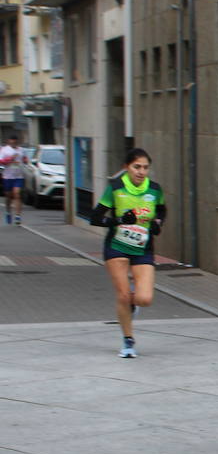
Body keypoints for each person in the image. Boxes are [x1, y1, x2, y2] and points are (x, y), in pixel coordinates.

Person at [89, 148, 166, 359]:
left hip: (143, 248)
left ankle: (132, 304)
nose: (141, 172)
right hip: (117, 246)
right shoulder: (115, 188)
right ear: (127, 167)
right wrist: (120, 220)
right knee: (123, 295)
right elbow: (95, 218)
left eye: (145, 167)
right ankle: (128, 340)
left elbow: (161, 210)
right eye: (137, 167)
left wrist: (158, 222)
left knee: (145, 298)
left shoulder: (155, 189)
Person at [1, 135, 22, 224]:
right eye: (11, 140)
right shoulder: (4, 150)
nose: (13, 142)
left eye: (15, 140)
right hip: (8, 176)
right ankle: (8, 212)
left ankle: (18, 216)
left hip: (19, 176)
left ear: (17, 141)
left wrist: (25, 160)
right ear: (9, 141)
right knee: (9, 196)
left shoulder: (21, 150)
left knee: (17, 194)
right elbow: (1, 161)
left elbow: (24, 159)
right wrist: (10, 159)